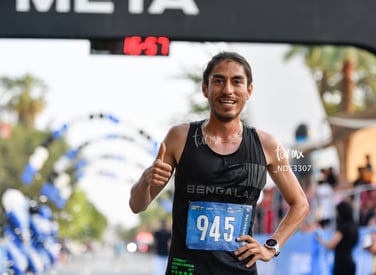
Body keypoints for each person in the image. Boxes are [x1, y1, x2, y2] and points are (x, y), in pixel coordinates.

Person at [129, 51, 309, 274]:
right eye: (219, 81)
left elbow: (300, 203)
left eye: (237, 81)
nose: (228, 90)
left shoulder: (268, 145)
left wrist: (272, 247)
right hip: (186, 270)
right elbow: (137, 205)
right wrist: (146, 180)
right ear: (205, 89)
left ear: (249, 90)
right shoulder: (180, 138)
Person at [316, 200, 359, 275]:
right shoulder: (354, 226)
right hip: (351, 262)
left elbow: (331, 245)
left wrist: (320, 240)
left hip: (341, 264)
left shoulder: (343, 228)